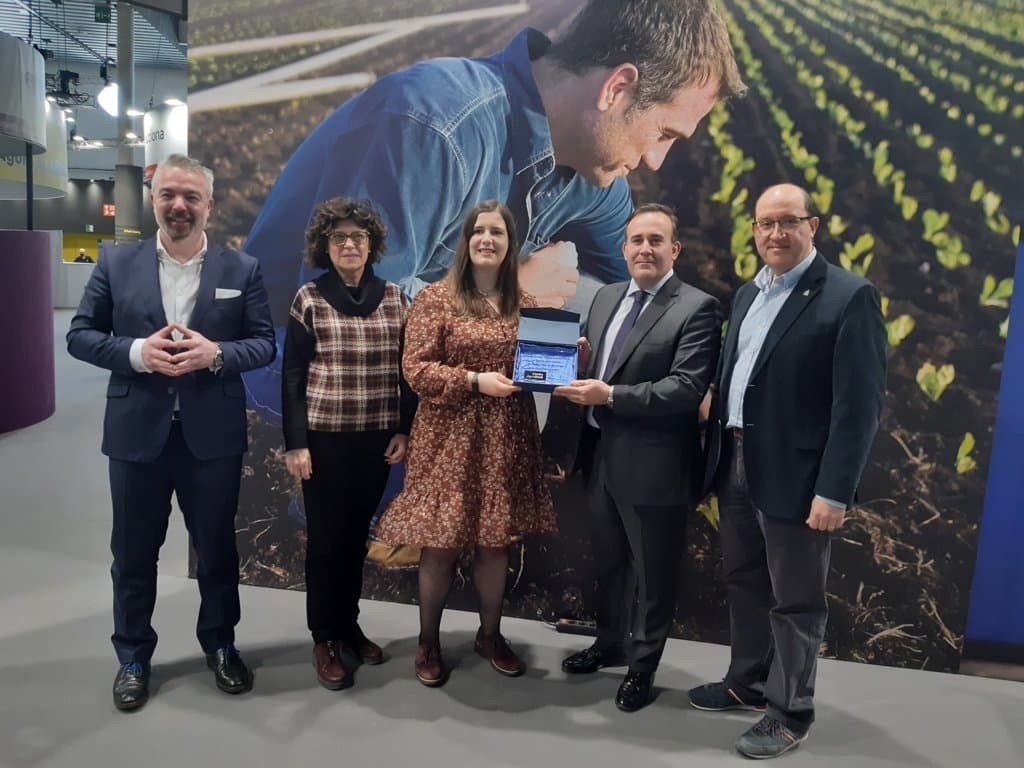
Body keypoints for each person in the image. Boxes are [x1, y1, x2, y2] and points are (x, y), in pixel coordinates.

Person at [241, 0, 745, 414]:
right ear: (617, 89)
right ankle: (367, 515)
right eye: (662, 133)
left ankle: (536, 454)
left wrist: (702, 384)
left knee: (591, 301)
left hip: (419, 327)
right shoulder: (433, 124)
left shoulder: (595, 174)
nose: (656, 160)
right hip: (293, 349)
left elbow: (646, 297)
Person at [67, 154, 276, 711]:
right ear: (153, 199)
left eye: (191, 197)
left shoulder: (242, 269)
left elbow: (263, 343)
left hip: (212, 438)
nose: (179, 206)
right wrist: (137, 352)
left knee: (216, 553)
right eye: (168, 195)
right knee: (133, 554)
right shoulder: (115, 262)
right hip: (138, 436)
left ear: (210, 204)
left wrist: (216, 354)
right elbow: (81, 335)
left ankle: (222, 645)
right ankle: (133, 656)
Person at [688, 183, 886, 759]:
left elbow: (859, 408)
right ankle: (748, 682)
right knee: (745, 580)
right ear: (754, 230)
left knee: (796, 601)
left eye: (787, 222)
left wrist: (834, 489)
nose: (775, 233)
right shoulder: (750, 294)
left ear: (812, 226)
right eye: (764, 224)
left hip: (799, 481)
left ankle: (789, 711)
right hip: (736, 462)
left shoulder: (849, 297)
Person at [373, 201, 556, 687]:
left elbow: (537, 369)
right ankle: (427, 643)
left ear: (510, 243)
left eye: (497, 231)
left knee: (494, 544)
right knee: (441, 544)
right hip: (449, 437)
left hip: (506, 437)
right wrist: (475, 380)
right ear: (467, 240)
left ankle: (489, 635)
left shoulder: (525, 303)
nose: (488, 239)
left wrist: (565, 357)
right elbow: (416, 369)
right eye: (479, 231)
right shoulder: (437, 298)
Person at [553, 204, 722, 712]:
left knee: (653, 575)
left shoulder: (697, 308)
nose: (644, 248)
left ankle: (642, 668)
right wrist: (581, 363)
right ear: (624, 248)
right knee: (610, 563)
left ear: (675, 249)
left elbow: (687, 389)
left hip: (655, 466)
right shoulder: (605, 298)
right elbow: (603, 364)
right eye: (636, 240)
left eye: (656, 240)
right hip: (600, 455)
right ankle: (610, 644)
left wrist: (610, 396)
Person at [281, 197, 416, 689]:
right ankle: (324, 637)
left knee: (356, 539)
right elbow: (293, 375)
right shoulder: (308, 299)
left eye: (358, 236)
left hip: (376, 442)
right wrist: (296, 444)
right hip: (323, 442)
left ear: (372, 244)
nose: (349, 244)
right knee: (325, 543)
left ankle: (349, 625)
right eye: (339, 237)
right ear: (325, 246)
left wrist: (405, 428)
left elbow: (408, 372)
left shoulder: (398, 298)